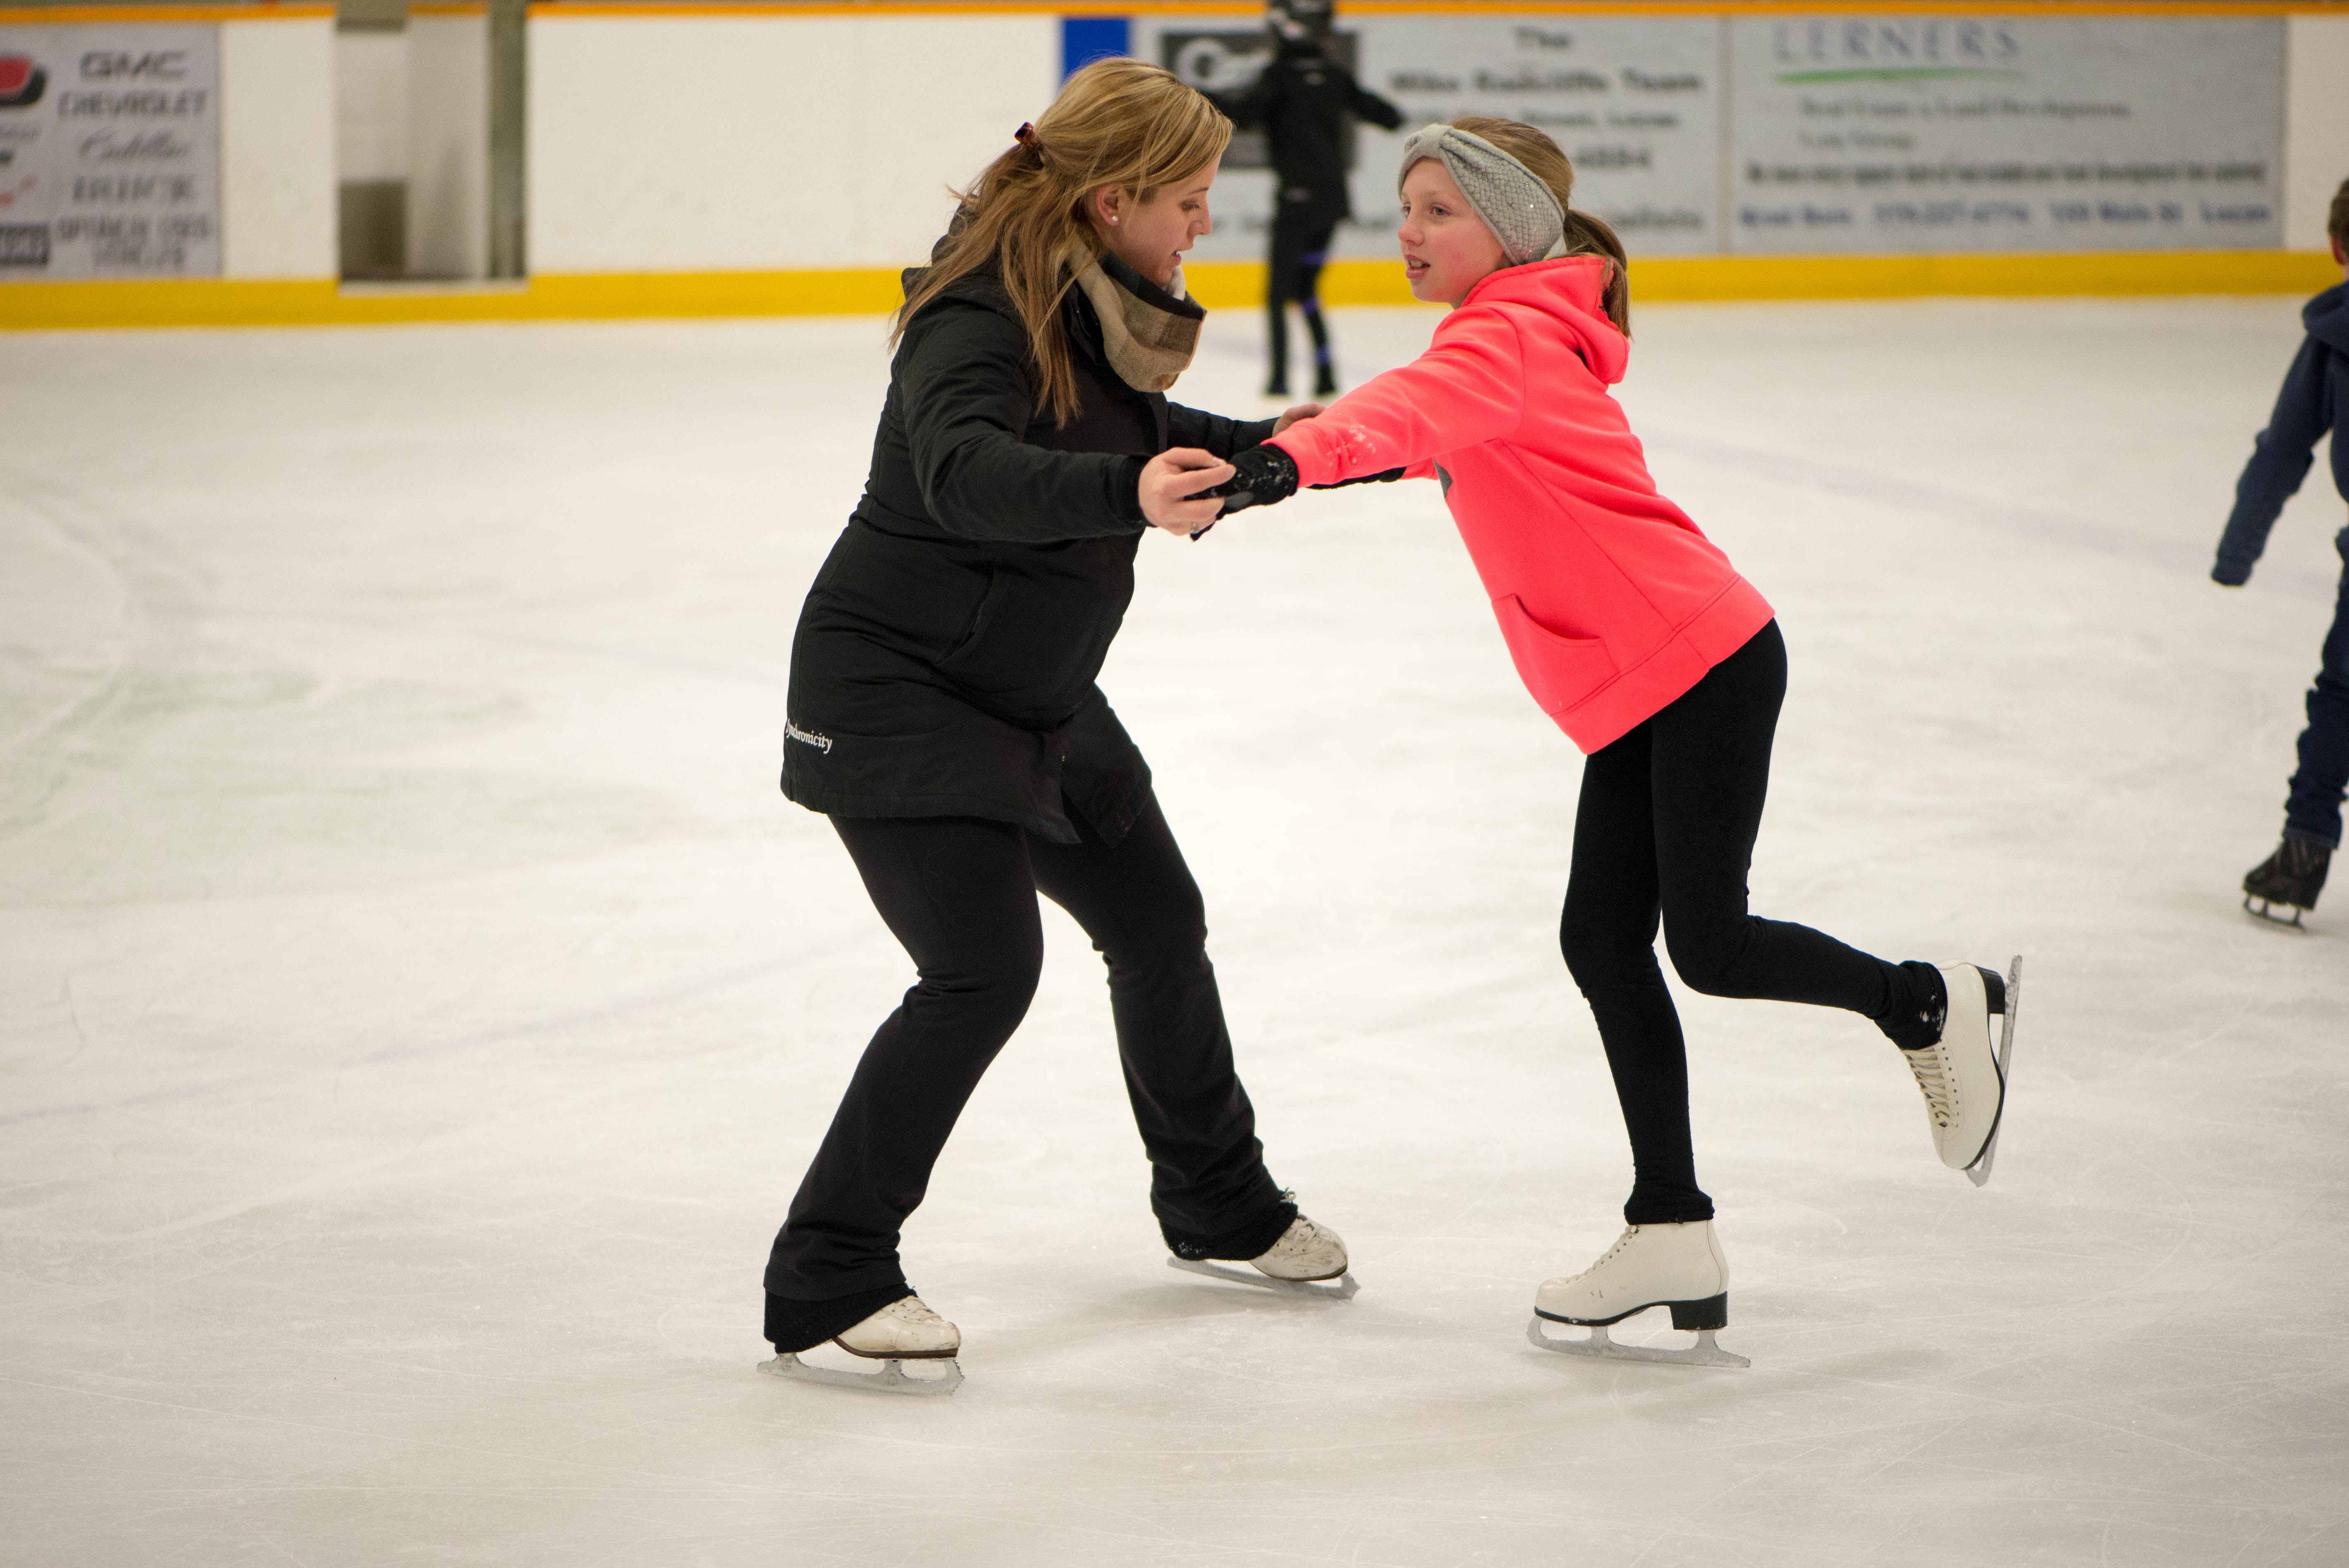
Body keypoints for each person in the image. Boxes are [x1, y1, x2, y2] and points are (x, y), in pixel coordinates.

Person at [1198, 118, 2019, 1366]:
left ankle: (1922, 999)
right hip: (1658, 675)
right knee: (1604, 937)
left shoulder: (1503, 332)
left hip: (1695, 661)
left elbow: (1415, 409)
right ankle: (1669, 1228)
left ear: (1508, 228)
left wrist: (1286, 463)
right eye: (1403, 208)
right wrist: (1314, 448)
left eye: (1435, 210)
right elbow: (1423, 427)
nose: (1406, 231)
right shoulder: (1512, 334)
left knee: (1709, 942)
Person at [761, 58, 1350, 1394]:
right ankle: (827, 1273)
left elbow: (1142, 433)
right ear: (1110, 200)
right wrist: (1130, 489)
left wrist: (1298, 448)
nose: (1204, 224)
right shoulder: (972, 316)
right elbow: (972, 474)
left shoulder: (1087, 306)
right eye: (1190, 200)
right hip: (898, 691)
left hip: (1033, 692)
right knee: (981, 970)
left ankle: (1218, 1200)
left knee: (1155, 919)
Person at [2213, 176, 2349, 930]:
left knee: (2340, 697)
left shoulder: (2333, 336)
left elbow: (2281, 451)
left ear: (2334, 248)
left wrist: (2237, 552)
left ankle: (2301, 853)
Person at [1212, 0, 1402, 398]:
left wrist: (1200, 96)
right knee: (1307, 288)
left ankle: (1280, 378)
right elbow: (1388, 116)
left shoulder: (1279, 77)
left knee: (1277, 292)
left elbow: (1243, 116)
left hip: (1297, 199)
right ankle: (1326, 374)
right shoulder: (1333, 76)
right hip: (1332, 203)